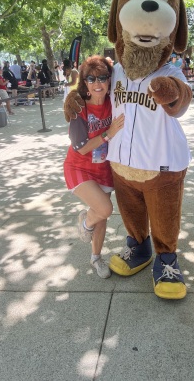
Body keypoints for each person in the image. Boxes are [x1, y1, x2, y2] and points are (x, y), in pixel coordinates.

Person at [63, 56, 124, 278]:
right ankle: (85, 224)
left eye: (102, 78)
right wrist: (108, 134)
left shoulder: (115, 102)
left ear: (109, 81)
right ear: (85, 83)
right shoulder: (78, 108)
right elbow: (81, 148)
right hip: (79, 167)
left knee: (102, 216)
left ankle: (96, 258)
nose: (97, 83)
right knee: (105, 209)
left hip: (104, 169)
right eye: (91, 79)